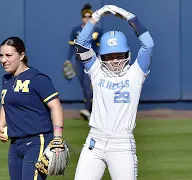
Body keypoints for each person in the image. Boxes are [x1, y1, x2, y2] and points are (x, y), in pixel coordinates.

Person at [73, 5, 154, 180]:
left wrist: (131, 18)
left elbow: (148, 45)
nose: (115, 60)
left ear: (127, 53)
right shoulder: (96, 70)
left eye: (119, 55)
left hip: (122, 145)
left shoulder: (136, 73)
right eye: (109, 56)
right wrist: (97, 16)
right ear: (101, 56)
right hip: (94, 141)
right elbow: (81, 45)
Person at [0, 36, 65, 180]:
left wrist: (57, 138)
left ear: (22, 55)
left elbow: (56, 106)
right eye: (1, 55)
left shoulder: (37, 78)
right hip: (15, 145)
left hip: (37, 142)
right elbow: (6, 102)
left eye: (9, 55)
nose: (3, 60)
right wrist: (1, 125)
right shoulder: (7, 79)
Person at [64, 3, 103, 121]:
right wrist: (67, 59)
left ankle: (88, 110)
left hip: (91, 62)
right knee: (84, 87)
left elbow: (100, 48)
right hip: (78, 62)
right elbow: (72, 47)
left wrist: (101, 61)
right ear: (82, 17)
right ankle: (90, 111)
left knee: (87, 86)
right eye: (85, 16)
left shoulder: (97, 31)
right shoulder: (76, 30)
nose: (87, 18)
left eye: (89, 16)